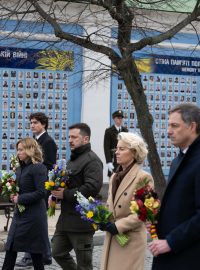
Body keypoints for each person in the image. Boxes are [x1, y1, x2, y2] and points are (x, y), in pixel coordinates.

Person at [149, 103, 200, 270]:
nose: (168, 131)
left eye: (174, 125)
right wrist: (155, 220)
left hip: (188, 257)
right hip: (171, 255)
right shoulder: (178, 160)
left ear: (192, 126)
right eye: (168, 125)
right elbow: (181, 206)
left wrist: (172, 241)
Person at [51, 123, 103, 270]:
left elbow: (92, 187)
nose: (70, 140)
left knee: (84, 264)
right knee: (57, 252)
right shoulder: (72, 159)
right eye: (69, 137)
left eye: (74, 137)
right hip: (65, 220)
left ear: (85, 139)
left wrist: (65, 194)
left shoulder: (92, 160)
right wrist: (56, 191)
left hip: (81, 222)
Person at [100, 132, 153, 270]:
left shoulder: (143, 177)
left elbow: (145, 212)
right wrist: (101, 218)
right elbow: (110, 204)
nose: (117, 152)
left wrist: (118, 226)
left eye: (122, 149)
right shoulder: (114, 177)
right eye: (116, 149)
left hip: (130, 241)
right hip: (112, 239)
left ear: (134, 152)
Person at [16, 112, 57, 267]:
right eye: (31, 122)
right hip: (31, 185)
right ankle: (45, 255)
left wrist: (33, 168)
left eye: (35, 122)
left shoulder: (48, 142)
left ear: (44, 124)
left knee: (35, 222)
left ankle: (29, 256)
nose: (32, 125)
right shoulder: (34, 141)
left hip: (40, 187)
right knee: (38, 224)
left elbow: (49, 166)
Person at [2, 138, 49, 270]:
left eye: (21, 149)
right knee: (11, 246)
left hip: (34, 216)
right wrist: (13, 194)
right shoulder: (20, 168)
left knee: (35, 253)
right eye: (18, 150)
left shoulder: (38, 168)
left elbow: (41, 192)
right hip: (20, 214)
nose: (18, 153)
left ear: (30, 150)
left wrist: (20, 198)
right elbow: (21, 189)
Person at [104, 110, 128, 177]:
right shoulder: (109, 131)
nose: (120, 120)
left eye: (121, 118)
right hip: (113, 158)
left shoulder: (125, 130)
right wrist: (108, 161)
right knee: (113, 179)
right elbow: (106, 147)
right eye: (118, 118)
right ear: (114, 119)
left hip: (123, 158)